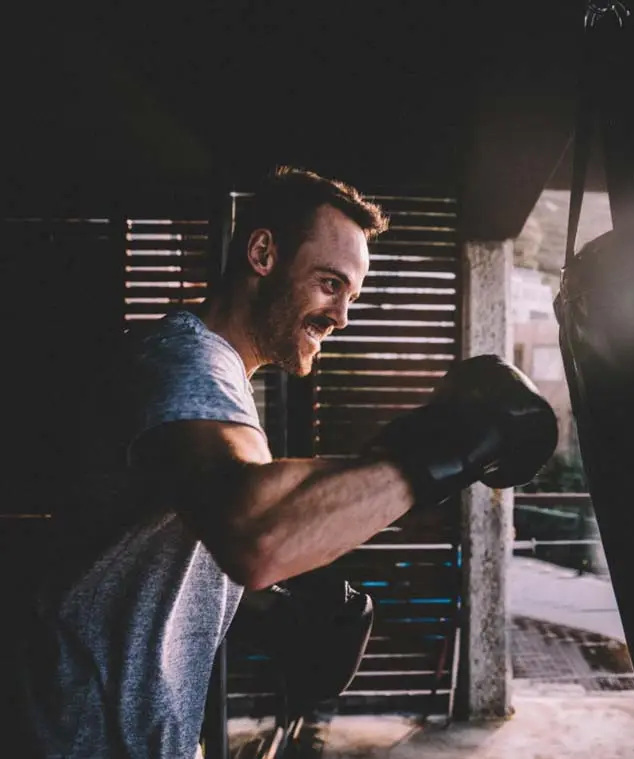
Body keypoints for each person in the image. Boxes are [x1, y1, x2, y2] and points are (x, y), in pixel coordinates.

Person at [9, 166, 558, 758]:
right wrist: (444, 454)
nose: (341, 316)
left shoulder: (218, 384)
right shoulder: (185, 365)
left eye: (352, 296)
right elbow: (257, 536)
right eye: (329, 283)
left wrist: (271, 612)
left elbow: (178, 541)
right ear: (264, 252)